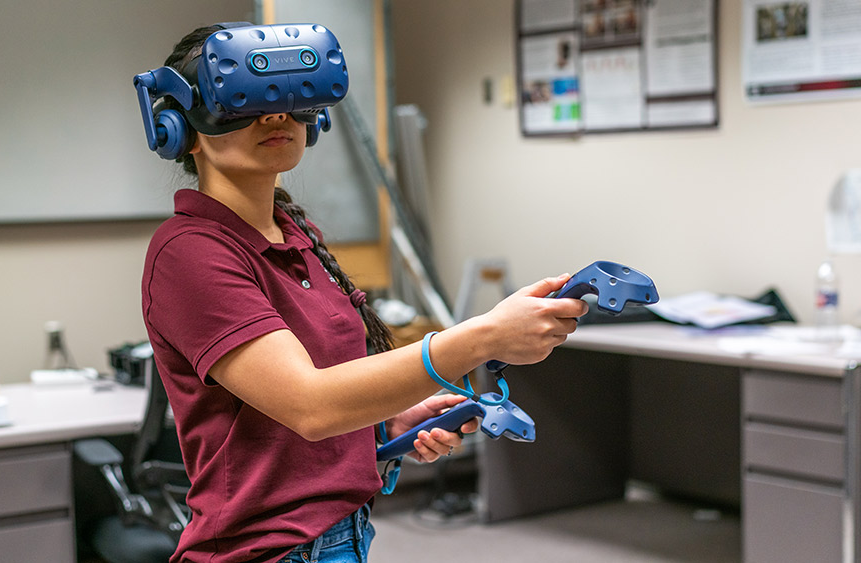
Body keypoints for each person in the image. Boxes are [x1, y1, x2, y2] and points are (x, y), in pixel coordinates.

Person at [140, 23, 588, 563]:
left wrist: (384, 421)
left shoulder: (297, 236)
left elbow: (314, 409)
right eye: (244, 102)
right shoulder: (190, 253)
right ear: (177, 125)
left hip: (344, 536)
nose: (276, 116)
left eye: (291, 96)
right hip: (266, 552)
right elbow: (309, 405)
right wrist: (483, 337)